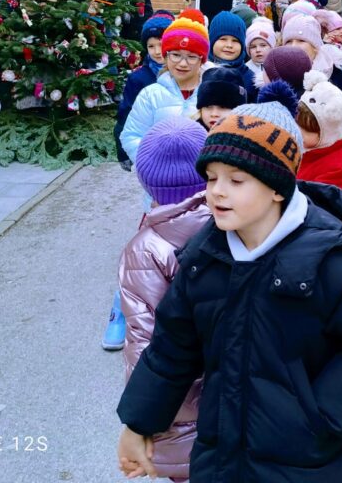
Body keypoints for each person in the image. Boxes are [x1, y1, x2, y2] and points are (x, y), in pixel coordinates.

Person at [116, 102, 342, 482]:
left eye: (236, 181)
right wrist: (138, 423)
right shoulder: (205, 258)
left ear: (276, 189)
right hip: (223, 457)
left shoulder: (330, 263)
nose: (216, 192)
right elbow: (173, 347)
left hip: (309, 466)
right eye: (211, 177)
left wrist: (321, 420)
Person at [119, 116, 211, 481]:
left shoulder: (146, 249)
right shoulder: (233, 224)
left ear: (146, 181)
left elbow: (143, 339)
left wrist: (143, 419)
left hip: (178, 402)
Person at [120, 18, 208, 162]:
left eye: (191, 57)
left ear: (201, 60)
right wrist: (151, 166)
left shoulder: (212, 94)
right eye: (176, 55)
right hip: (159, 177)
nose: (183, 63)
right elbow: (132, 135)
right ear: (166, 56)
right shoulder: (151, 95)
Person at [114, 11, 174, 172]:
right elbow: (125, 115)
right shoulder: (139, 78)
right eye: (151, 46)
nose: (157, 51)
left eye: (161, 44)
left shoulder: (183, 72)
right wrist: (123, 152)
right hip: (150, 148)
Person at [296, 69, 342, 195]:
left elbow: (317, 209)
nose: (297, 131)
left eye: (307, 129)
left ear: (326, 133)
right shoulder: (308, 148)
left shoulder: (336, 170)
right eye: (296, 124)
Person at [282, 14, 342, 100]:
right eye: (289, 41)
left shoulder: (334, 72)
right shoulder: (279, 72)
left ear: (315, 47)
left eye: (301, 40)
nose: (293, 46)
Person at [207, 10, 257, 102]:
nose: (229, 45)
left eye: (235, 41)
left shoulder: (251, 80)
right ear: (212, 41)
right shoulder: (200, 72)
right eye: (223, 39)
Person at [244, 16, 275, 84]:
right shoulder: (245, 69)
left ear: (272, 46)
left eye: (263, 45)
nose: (258, 50)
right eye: (253, 47)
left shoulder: (277, 67)